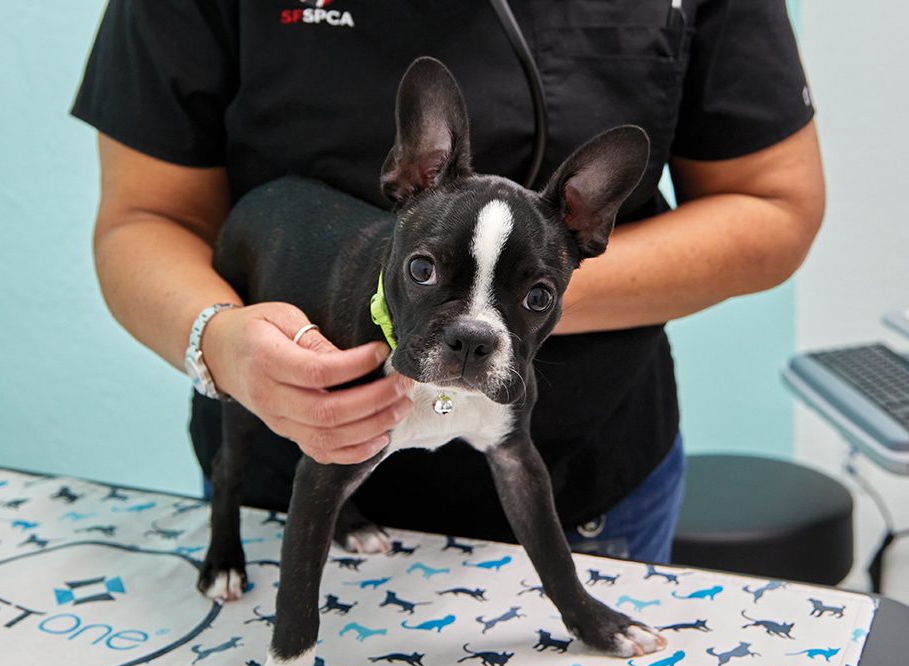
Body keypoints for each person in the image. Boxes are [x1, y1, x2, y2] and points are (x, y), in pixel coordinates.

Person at [71, 0, 824, 564]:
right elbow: (145, 215)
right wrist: (218, 341)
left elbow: (775, 206)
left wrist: (507, 304)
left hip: (581, 484)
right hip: (289, 478)